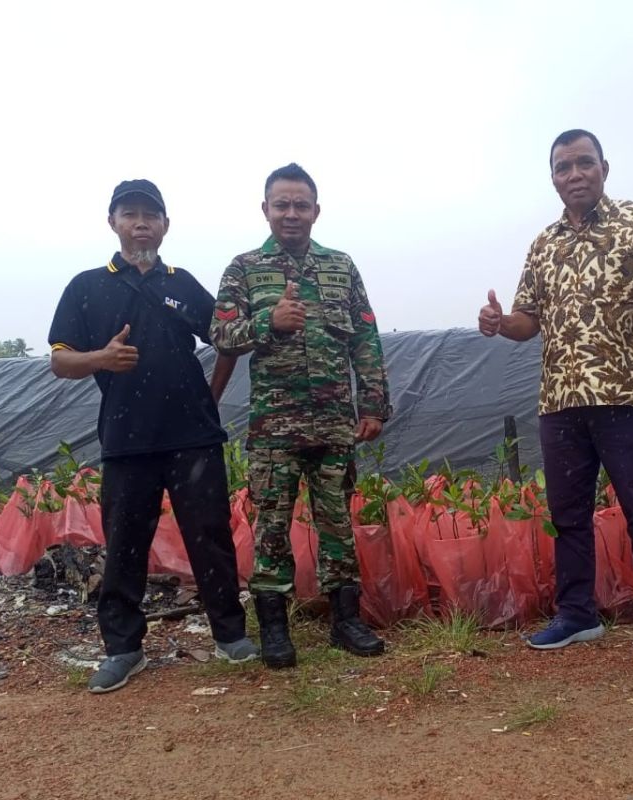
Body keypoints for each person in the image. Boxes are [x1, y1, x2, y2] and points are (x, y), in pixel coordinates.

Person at [478, 130, 633, 667]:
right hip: (560, 400)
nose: (573, 174)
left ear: (604, 168)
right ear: (552, 177)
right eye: (562, 167)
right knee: (567, 514)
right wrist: (501, 324)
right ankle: (577, 615)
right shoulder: (543, 243)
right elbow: (528, 321)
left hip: (623, 394)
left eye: (583, 163)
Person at [48, 179, 258, 693]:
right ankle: (123, 650)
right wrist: (101, 358)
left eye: (151, 214)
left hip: (194, 436)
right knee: (124, 545)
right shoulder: (86, 286)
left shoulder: (183, 283)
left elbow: (226, 339)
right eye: (130, 213)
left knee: (209, 537)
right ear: (113, 222)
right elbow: (59, 360)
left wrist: (211, 394)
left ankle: (231, 636)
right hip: (127, 438)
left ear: (165, 225)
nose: (141, 222)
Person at [210, 163, 391, 669]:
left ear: (316, 210)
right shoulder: (244, 268)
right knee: (272, 525)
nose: (292, 214)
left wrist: (373, 402)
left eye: (301, 205)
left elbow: (365, 337)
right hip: (275, 428)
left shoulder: (340, 266)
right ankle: (274, 627)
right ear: (265, 209)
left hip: (334, 423)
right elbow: (221, 335)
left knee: (336, 523)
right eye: (281, 204)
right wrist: (269, 320)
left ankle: (346, 621)